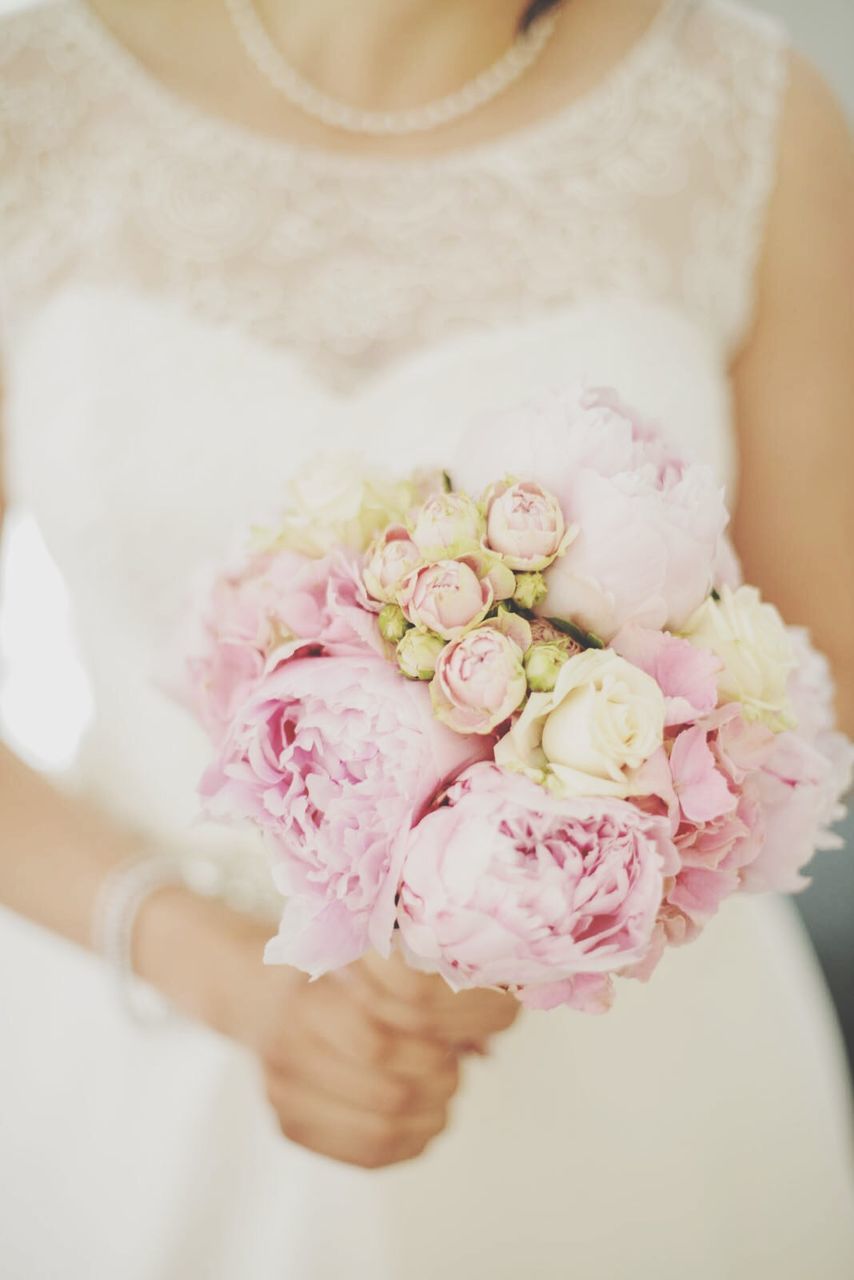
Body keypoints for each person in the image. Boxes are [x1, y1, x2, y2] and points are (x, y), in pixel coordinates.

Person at [0, 0, 852, 1276]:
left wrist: (509, 922)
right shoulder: (33, 95)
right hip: (128, 1022)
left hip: (630, 1084)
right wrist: (218, 965)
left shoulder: (745, 115)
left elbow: (811, 664)